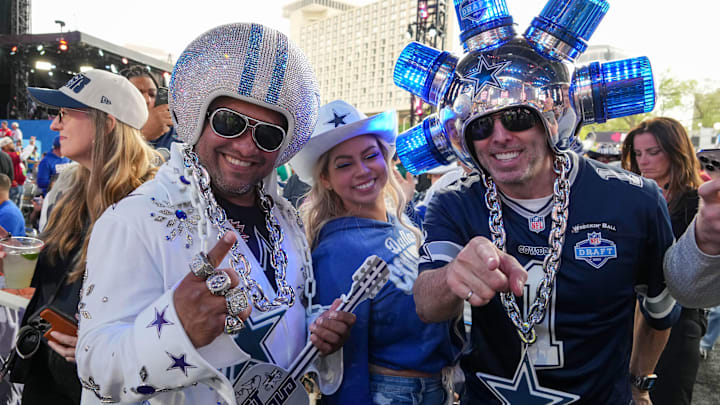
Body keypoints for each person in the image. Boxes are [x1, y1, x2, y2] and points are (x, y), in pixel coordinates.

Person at [396, 16, 679, 403]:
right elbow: (427, 305)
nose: (499, 137)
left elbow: (660, 310)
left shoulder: (634, 199)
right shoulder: (454, 200)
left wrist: (639, 383)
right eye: (480, 127)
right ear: (465, 140)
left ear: (550, 122)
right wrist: (452, 277)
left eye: (516, 118)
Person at [76, 23, 355, 404]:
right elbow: (94, 367)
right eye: (230, 122)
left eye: (268, 135)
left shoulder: (287, 219)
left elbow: (284, 324)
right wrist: (176, 330)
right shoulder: (135, 219)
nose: (246, 146)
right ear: (200, 119)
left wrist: (319, 332)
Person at [5, 68, 157, 405]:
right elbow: (56, 278)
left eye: (64, 114)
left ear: (107, 123)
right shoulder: (68, 189)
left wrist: (116, 346)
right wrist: (13, 261)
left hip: (104, 386)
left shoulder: (154, 203)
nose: (54, 126)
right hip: (44, 372)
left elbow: (171, 307)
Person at [292, 100, 456, 405]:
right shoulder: (336, 250)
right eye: (344, 164)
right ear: (325, 179)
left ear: (386, 157)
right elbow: (343, 364)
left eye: (371, 155)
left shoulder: (403, 226)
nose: (363, 170)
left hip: (436, 389)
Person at [621, 117, 705, 405]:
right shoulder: (629, 199)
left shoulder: (698, 204)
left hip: (680, 321)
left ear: (676, 151)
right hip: (628, 319)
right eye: (638, 153)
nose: (643, 160)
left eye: (653, 152)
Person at [120, 65, 178, 158]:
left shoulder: (175, 133)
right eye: (138, 93)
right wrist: (142, 135)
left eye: (152, 94)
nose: (147, 99)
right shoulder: (112, 130)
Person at [0, 137, 26, 207]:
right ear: (5, 146)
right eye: (11, 143)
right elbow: (23, 156)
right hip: (13, 186)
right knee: (12, 207)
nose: (13, 145)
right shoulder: (9, 155)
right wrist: (31, 146)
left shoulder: (9, 154)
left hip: (18, 184)